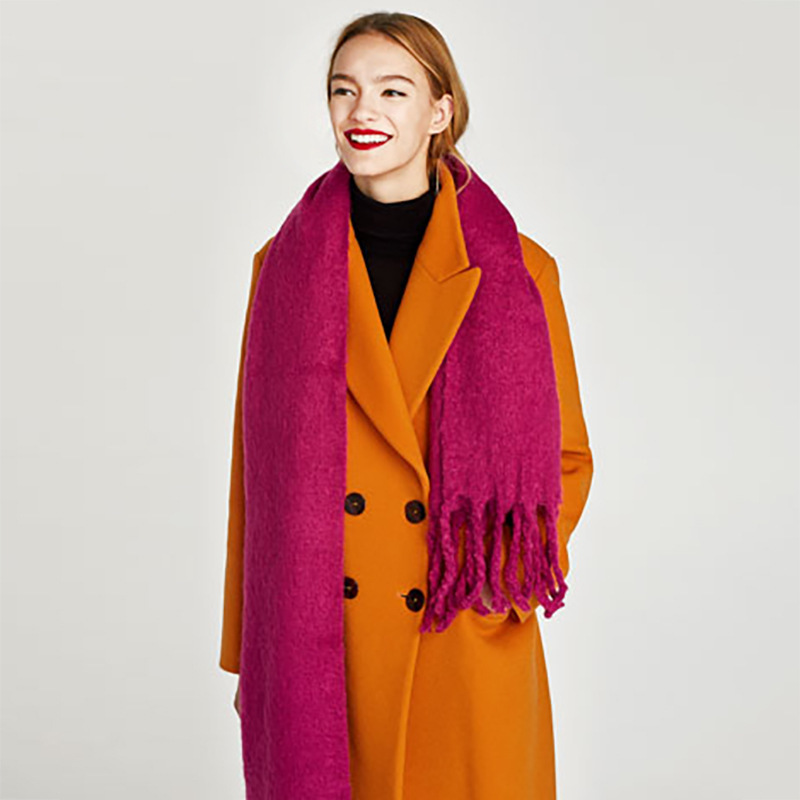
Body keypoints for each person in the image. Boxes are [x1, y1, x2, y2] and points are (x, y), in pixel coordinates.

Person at [220, 12, 593, 800]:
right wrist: (254, 650)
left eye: (393, 90)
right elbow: (253, 479)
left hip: (457, 640)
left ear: (439, 111)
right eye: (344, 90)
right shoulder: (279, 270)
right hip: (325, 643)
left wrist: (490, 583)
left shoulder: (520, 271)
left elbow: (566, 459)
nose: (364, 111)